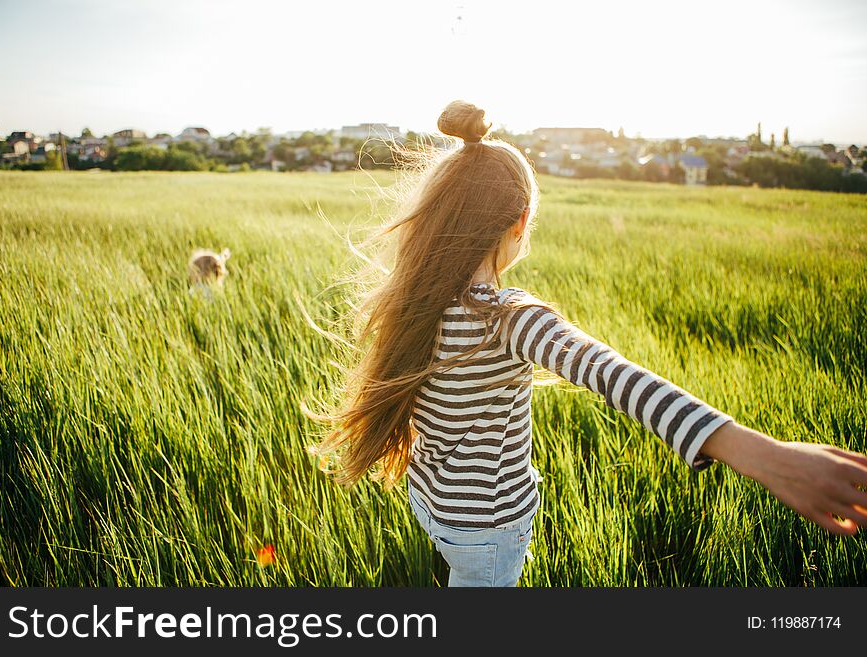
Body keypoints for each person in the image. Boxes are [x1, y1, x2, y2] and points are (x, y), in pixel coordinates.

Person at [301, 100, 867, 587]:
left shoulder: (416, 298)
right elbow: (615, 376)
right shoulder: (508, 319)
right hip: (488, 532)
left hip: (432, 507)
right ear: (520, 222)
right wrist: (766, 456)